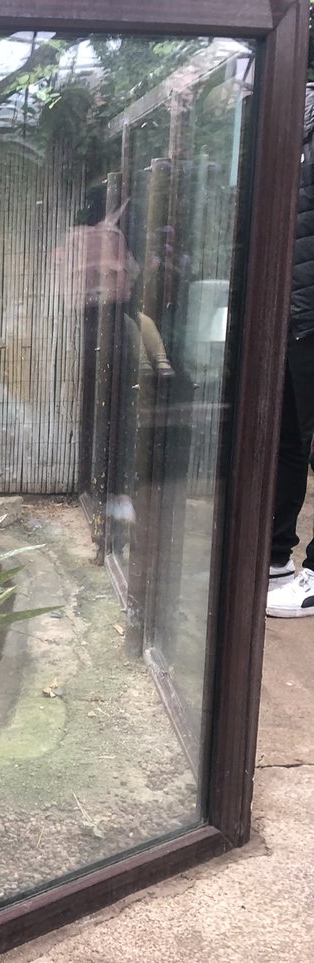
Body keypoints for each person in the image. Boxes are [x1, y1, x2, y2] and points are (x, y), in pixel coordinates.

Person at [267, 84, 314, 618]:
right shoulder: (293, 134)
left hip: (306, 314)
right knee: (284, 440)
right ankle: (277, 557)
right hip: (293, 316)